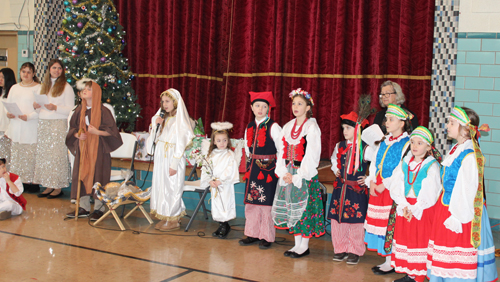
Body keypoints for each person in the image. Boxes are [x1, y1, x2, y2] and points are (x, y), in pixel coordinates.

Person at [427, 106, 498, 282]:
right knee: (445, 258)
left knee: (456, 262)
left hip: (460, 214)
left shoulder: (469, 155)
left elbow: (467, 191)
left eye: (452, 123)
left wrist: (456, 217)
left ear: (465, 130)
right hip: (446, 208)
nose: (447, 125)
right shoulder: (456, 150)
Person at [272, 88, 324, 258]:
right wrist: (283, 172)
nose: (296, 107)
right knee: (291, 207)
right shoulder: (288, 126)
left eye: (300, 104)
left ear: (308, 107)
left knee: (304, 209)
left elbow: (312, 155)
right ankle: (296, 244)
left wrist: (297, 175)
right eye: (294, 103)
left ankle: (304, 246)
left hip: (303, 174)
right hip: (289, 172)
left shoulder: (311, 127)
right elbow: (281, 150)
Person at [364, 104, 412, 275]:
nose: (386, 122)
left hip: (391, 189)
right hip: (377, 187)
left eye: (391, 119)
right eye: (386, 119)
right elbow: (374, 164)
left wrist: (384, 185)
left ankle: (392, 260)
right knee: (382, 225)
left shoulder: (407, 144)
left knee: (390, 225)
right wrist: (371, 181)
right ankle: (387, 259)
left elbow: (401, 169)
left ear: (402, 123)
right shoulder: (384, 141)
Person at [389, 126, 441, 282]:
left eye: (419, 143)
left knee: (420, 240)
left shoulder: (431, 165)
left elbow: (432, 191)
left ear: (428, 146)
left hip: (422, 210)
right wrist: (403, 204)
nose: (415, 146)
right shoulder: (405, 162)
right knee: (408, 240)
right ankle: (410, 273)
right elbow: (396, 183)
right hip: (406, 207)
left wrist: (415, 208)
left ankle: (419, 274)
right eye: (412, 142)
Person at [65, 81, 122, 220]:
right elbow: (72, 128)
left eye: (89, 89)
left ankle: (98, 208)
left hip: (99, 150)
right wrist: (77, 134)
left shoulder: (103, 110)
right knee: (81, 174)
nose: (85, 91)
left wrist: (97, 132)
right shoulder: (79, 110)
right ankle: (83, 207)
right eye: (84, 89)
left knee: (98, 177)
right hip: (83, 149)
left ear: (95, 93)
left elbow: (112, 132)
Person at [328, 109, 374, 265]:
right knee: (338, 220)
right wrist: (336, 169)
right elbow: (334, 158)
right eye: (343, 128)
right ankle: (340, 248)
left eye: (348, 128)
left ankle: (354, 250)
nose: (344, 131)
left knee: (356, 221)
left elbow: (377, 162)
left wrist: (369, 178)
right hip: (340, 189)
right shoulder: (339, 145)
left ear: (357, 129)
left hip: (356, 191)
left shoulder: (365, 148)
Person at [146, 88, 194, 231]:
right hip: (161, 156)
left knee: (172, 187)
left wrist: (174, 164)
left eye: (167, 101)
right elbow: (153, 141)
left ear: (175, 102)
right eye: (163, 102)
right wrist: (156, 125)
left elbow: (180, 144)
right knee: (162, 186)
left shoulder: (181, 121)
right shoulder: (163, 118)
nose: (164, 104)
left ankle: (174, 218)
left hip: (173, 157)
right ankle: (166, 216)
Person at [239, 91, 282, 249]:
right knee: (252, 202)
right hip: (253, 170)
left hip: (268, 170)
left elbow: (282, 149)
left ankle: (266, 236)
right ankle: (252, 233)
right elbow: (246, 146)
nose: (260, 109)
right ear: (251, 108)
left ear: (268, 109)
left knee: (266, 204)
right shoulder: (249, 126)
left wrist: (279, 169)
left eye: (264, 106)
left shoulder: (274, 127)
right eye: (257, 106)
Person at [33, 59, 75, 199]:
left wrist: (55, 107)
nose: (56, 70)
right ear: (49, 69)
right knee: (45, 156)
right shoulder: (43, 86)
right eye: (54, 68)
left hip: (58, 123)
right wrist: (36, 107)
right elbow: (39, 106)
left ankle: (58, 186)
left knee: (57, 155)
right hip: (44, 123)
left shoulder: (66, 87)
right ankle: (48, 185)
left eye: (59, 68)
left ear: (62, 71)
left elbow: (71, 109)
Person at [5, 62, 41, 193]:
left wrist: (29, 116)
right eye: (23, 71)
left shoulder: (38, 88)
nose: (26, 74)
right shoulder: (14, 87)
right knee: (18, 154)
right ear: (20, 73)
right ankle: (18, 182)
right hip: (16, 125)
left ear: (33, 74)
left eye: (29, 72)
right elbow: (7, 104)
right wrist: (8, 113)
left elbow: (40, 108)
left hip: (30, 125)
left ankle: (31, 182)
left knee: (30, 154)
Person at [199, 122, 239, 239]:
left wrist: (221, 181)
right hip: (214, 184)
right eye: (219, 140)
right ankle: (221, 225)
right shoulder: (211, 155)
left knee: (225, 204)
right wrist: (210, 180)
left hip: (224, 185)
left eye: (224, 140)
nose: (222, 143)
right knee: (217, 205)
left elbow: (230, 169)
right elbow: (206, 168)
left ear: (228, 141)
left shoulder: (229, 154)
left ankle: (225, 225)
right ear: (214, 142)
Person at [0, 68, 16, 168]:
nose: (0, 79)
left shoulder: (13, 92)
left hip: (6, 133)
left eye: (2, 77)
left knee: (6, 159)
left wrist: (8, 130)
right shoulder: (1, 93)